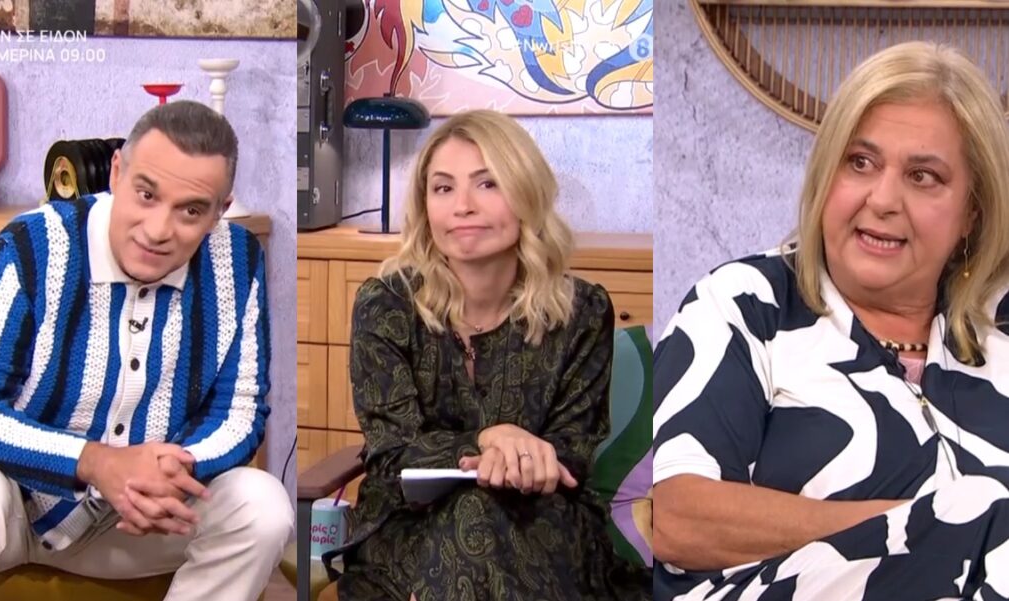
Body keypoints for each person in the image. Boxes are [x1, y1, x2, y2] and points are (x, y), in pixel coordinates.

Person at [650, 41, 1009, 599]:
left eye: (923, 176)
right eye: (860, 162)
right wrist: (941, 528)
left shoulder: (998, 330)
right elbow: (680, 517)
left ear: (971, 213)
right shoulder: (746, 304)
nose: (883, 199)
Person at [0, 100, 294, 601]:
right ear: (116, 172)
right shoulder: (32, 243)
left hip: (144, 520)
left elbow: (239, 411)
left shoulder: (237, 260)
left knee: (262, 505)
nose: (157, 230)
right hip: (17, 508)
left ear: (220, 212)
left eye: (191, 211)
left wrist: (171, 472)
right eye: (146, 194)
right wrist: (94, 463)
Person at [322, 110, 651, 600]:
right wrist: (487, 439)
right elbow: (392, 453)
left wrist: (525, 461)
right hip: (410, 528)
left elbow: (573, 451)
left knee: (479, 518)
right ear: (425, 206)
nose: (463, 206)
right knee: (470, 516)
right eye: (443, 188)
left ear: (526, 194)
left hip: (538, 525)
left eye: (487, 184)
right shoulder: (386, 305)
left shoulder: (582, 311)